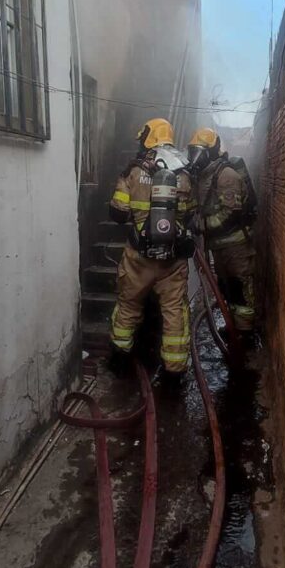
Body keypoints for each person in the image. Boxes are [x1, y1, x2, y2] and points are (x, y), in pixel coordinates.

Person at [108, 118, 195, 379]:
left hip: (138, 259)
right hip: (172, 260)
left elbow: (118, 213)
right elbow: (190, 213)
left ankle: (120, 360)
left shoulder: (133, 171)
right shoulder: (184, 172)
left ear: (148, 137)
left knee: (128, 306)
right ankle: (174, 372)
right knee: (174, 313)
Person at [187, 127, 256, 337]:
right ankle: (232, 326)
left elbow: (230, 215)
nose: (194, 157)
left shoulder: (226, 176)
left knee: (240, 291)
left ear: (210, 151)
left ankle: (244, 338)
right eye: (192, 152)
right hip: (219, 246)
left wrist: (202, 225)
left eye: (198, 151)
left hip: (235, 247)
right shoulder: (204, 176)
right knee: (226, 288)